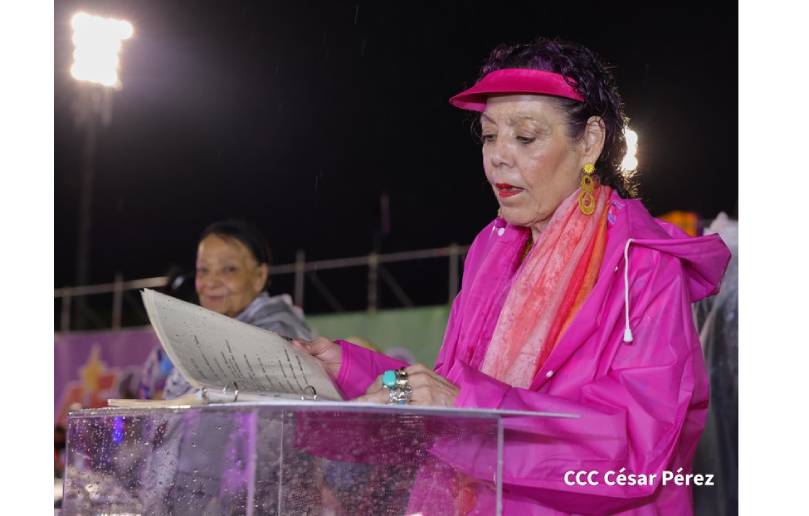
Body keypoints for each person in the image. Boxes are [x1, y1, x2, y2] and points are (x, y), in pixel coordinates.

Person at [292, 38, 731, 514]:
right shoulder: (493, 248)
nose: (498, 157)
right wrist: (344, 372)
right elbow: (441, 391)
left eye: (525, 137)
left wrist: (469, 413)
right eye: (488, 136)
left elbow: (634, 449)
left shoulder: (642, 264)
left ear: (590, 141)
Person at [139, 219, 313, 400]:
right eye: (203, 270)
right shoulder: (197, 336)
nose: (211, 282)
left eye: (229, 269)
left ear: (259, 276)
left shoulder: (280, 336)